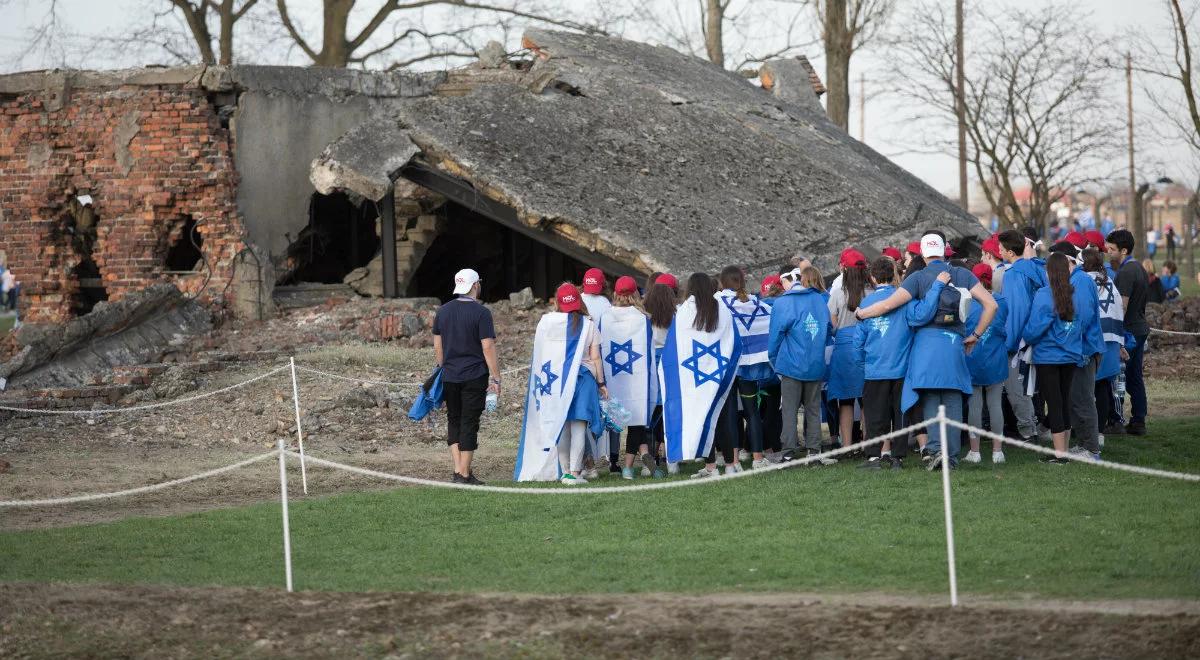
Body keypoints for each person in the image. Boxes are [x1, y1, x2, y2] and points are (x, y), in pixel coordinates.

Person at [856, 232, 998, 470]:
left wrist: (862, 313)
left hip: (926, 349)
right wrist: (975, 336)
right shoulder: (961, 273)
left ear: (922, 253)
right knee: (952, 401)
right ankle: (950, 457)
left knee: (930, 400)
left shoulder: (918, 278)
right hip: (954, 346)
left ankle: (935, 452)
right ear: (944, 250)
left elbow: (889, 304)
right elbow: (991, 305)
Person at [515, 282, 607, 483]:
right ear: (579, 300)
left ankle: (565, 471)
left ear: (558, 302)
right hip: (584, 380)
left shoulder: (547, 322)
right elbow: (596, 358)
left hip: (556, 382)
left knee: (562, 427)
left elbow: (541, 352)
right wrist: (601, 384)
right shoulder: (589, 324)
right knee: (579, 428)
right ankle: (576, 473)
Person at [659, 273, 741, 477]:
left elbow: (676, 345)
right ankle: (730, 466)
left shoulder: (685, 311)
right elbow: (734, 341)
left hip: (693, 376)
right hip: (719, 373)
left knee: (703, 417)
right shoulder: (722, 308)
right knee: (722, 419)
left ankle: (712, 467)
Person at [432, 269, 501, 485]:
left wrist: (442, 368)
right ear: (475, 285)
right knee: (469, 422)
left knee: (454, 419)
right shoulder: (481, 313)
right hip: (474, 374)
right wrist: (496, 377)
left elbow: (437, 345)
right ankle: (463, 473)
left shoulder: (442, 312)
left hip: (450, 374)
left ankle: (458, 470)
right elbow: (487, 346)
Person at [768, 266, 837, 465]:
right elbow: (827, 330)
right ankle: (813, 452)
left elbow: (774, 340)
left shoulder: (783, 302)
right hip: (815, 363)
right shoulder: (818, 298)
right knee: (813, 410)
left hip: (791, 364)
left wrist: (774, 361)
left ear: (786, 280)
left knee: (789, 410)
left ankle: (788, 452)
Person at [1022, 252, 1085, 464]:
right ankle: (1063, 450)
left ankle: (1060, 455)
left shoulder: (1044, 294)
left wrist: (1026, 337)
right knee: (1063, 402)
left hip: (1048, 356)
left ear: (1049, 271)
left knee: (1054, 404)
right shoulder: (1076, 292)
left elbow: (1034, 328)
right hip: (1070, 355)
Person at [854, 256, 914, 470]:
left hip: (875, 367)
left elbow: (858, 340)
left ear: (872, 277)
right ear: (894, 274)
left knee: (874, 416)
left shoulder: (866, 303)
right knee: (899, 414)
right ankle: (898, 456)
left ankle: (873, 457)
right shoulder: (904, 299)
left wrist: (862, 363)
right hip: (900, 366)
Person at [599, 276, 659, 480]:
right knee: (637, 421)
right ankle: (630, 465)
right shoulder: (642, 318)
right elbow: (649, 354)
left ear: (615, 293)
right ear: (636, 294)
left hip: (613, 377)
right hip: (636, 378)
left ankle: (640, 455)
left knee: (619, 422)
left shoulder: (605, 317)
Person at [1050, 242, 1105, 460]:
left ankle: (1091, 449)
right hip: (1078, 348)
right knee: (1075, 398)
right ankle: (1084, 444)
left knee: (1082, 398)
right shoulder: (1075, 280)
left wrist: (1068, 342)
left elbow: (1081, 316)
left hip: (1084, 349)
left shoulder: (1080, 282)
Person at [717, 266, 775, 469]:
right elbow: (771, 318)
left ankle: (733, 461)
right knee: (752, 412)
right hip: (751, 366)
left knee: (731, 412)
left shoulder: (719, 302)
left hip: (729, 365)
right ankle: (758, 458)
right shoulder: (756, 303)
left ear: (722, 282)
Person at [996, 229, 1047, 444]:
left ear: (1009, 252)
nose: (998, 250)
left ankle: (1028, 431)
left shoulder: (1014, 275)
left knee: (1016, 387)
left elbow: (1015, 310)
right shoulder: (1038, 268)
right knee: (1031, 387)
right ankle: (1036, 425)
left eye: (1000, 248)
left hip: (1020, 340)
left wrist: (1009, 343)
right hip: (1040, 334)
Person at [827, 248, 872, 452]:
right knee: (866, 399)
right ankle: (866, 443)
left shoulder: (837, 293)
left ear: (844, 269)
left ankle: (847, 446)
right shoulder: (871, 292)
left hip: (844, 348)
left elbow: (833, 325)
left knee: (844, 401)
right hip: (866, 346)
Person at [964, 262, 1009, 464]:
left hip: (972, 358)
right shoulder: (1002, 301)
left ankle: (975, 451)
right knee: (995, 404)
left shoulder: (967, 303)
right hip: (996, 359)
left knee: (974, 405)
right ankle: (997, 451)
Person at [1107, 229, 1150, 436]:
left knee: (1121, 377)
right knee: (1135, 377)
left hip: (1129, 331)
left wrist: (1116, 334)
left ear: (1124, 250)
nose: (1108, 252)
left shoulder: (1125, 273)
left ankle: (1117, 420)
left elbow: (1121, 307)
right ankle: (1138, 420)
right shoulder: (1140, 267)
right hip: (1140, 327)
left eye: (1112, 249)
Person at [1082, 248, 1126, 443]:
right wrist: (1121, 342)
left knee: (1085, 388)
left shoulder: (1084, 281)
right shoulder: (1109, 281)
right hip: (1112, 339)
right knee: (1102, 387)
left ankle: (1086, 430)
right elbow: (1119, 309)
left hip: (1093, 340)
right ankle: (1099, 431)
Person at [580, 267, 619, 472]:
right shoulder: (606, 304)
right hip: (600, 362)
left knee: (583, 414)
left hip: (581, 366)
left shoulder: (577, 299)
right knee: (603, 411)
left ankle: (587, 461)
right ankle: (612, 459)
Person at [643, 281, 679, 473]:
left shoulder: (645, 319)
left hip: (650, 365)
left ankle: (651, 461)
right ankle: (672, 460)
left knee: (651, 414)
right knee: (671, 412)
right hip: (670, 364)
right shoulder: (676, 317)